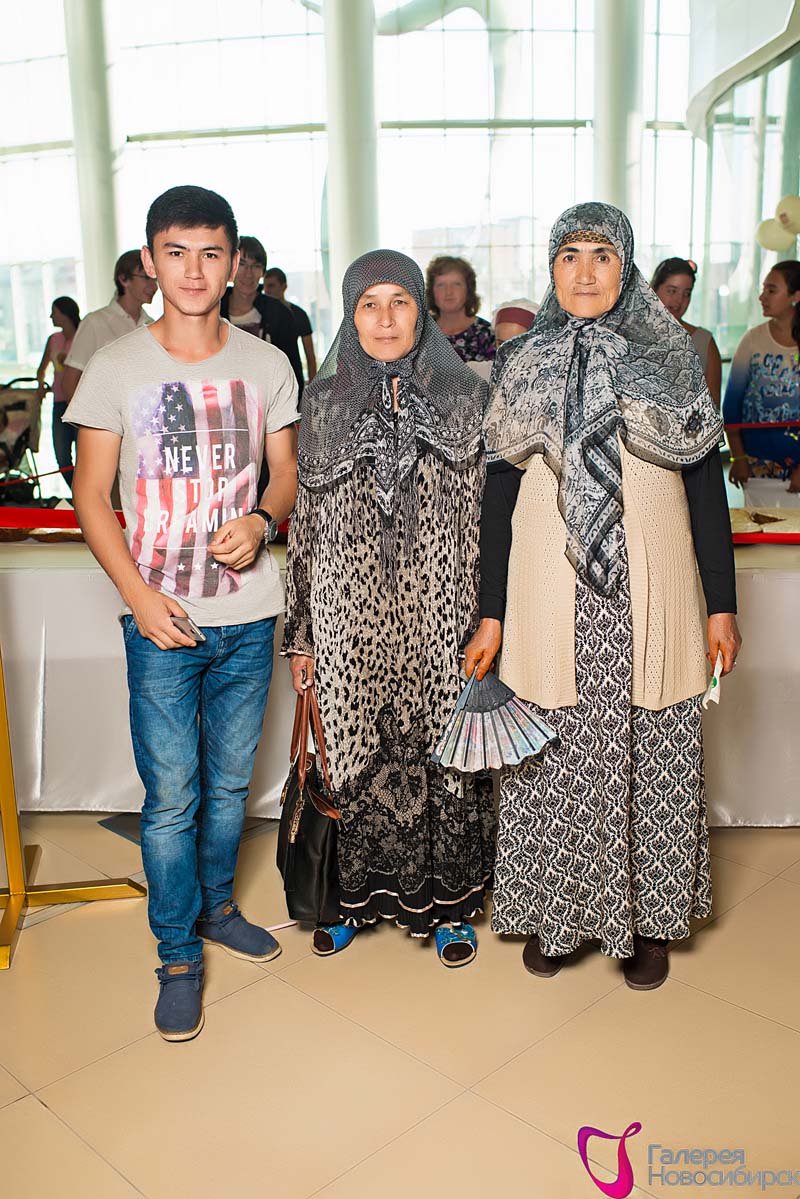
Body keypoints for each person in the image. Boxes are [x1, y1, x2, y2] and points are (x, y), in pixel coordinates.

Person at [465, 202, 740, 992]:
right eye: (569, 256)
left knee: (655, 745)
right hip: (547, 587)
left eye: (602, 255)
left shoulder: (672, 358)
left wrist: (721, 604)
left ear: (627, 266)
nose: (584, 272)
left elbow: (706, 489)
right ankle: (559, 913)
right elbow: (496, 496)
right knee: (550, 753)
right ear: (552, 268)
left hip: (652, 583)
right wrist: (492, 612)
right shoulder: (521, 362)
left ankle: (649, 920)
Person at [66, 185, 299, 1042]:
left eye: (211, 253)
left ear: (234, 262)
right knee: (171, 799)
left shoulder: (266, 364)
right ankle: (175, 954)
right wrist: (139, 598)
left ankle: (214, 908)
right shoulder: (117, 366)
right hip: (160, 618)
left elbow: (286, 473)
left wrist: (261, 520)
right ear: (150, 261)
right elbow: (91, 495)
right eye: (176, 252)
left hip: (249, 616)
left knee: (230, 786)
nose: (194, 270)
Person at [283, 249, 495, 967]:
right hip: (349, 617)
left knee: (448, 758)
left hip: (444, 614)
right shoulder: (323, 404)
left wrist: (490, 616)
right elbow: (305, 527)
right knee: (352, 755)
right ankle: (353, 900)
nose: (384, 318)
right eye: (368, 304)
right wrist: (302, 637)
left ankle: (451, 908)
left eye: (398, 302)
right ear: (350, 316)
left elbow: (487, 520)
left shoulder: (466, 398)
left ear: (421, 311)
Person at [723, 260, 800, 491]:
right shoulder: (752, 340)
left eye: (771, 290)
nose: (762, 297)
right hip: (756, 462)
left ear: (796, 296)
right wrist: (738, 457)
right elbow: (732, 405)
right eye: (763, 289)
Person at [62, 250, 158, 405]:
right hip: (106, 417)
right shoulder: (95, 322)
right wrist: (91, 420)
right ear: (123, 279)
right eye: (146, 278)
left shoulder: (152, 325)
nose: (154, 286)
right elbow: (69, 384)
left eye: (156, 279)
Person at [219, 236, 304, 397]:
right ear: (231, 266)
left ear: (262, 272)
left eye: (256, 266)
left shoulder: (279, 313)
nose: (248, 273)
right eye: (242, 264)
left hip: (269, 404)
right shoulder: (213, 310)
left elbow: (293, 370)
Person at [651, 257, 722, 407]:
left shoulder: (703, 341)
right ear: (653, 289)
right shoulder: (628, 336)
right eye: (672, 291)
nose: (679, 300)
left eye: (686, 293)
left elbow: (714, 407)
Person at [36, 296, 81, 489]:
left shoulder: (83, 336)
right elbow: (42, 369)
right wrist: (40, 385)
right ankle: (77, 493)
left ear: (65, 313)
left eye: (54, 312)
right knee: (62, 457)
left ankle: (84, 497)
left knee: (85, 457)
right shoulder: (53, 339)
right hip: (60, 404)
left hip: (80, 405)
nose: (51, 317)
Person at [426, 254, 496, 364]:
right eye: (441, 285)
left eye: (456, 284)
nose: (448, 292)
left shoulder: (487, 333)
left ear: (469, 289)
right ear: (431, 291)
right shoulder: (421, 333)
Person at [263, 266, 317, 383]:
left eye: (271, 286)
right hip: (267, 378)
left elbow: (310, 354)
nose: (267, 290)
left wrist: (313, 386)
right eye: (265, 286)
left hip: (293, 377)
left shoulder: (298, 314)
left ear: (284, 286)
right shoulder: (260, 314)